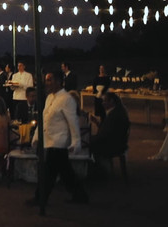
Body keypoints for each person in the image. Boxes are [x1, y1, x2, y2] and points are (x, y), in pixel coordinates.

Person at [28, 71, 89, 206]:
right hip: (48, 140)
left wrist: (76, 141)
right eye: (46, 80)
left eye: (49, 80)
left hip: (58, 141)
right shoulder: (50, 98)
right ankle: (80, 195)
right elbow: (44, 118)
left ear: (58, 81)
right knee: (65, 172)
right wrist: (37, 136)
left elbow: (72, 122)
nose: (47, 83)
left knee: (48, 172)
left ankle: (40, 198)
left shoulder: (66, 99)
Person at [90, 92, 130, 165]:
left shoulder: (114, 115)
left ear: (111, 101)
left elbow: (104, 134)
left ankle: (97, 169)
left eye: (104, 101)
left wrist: (89, 139)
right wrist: (97, 122)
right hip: (119, 143)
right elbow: (108, 130)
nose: (102, 103)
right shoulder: (118, 111)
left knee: (86, 144)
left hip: (112, 145)